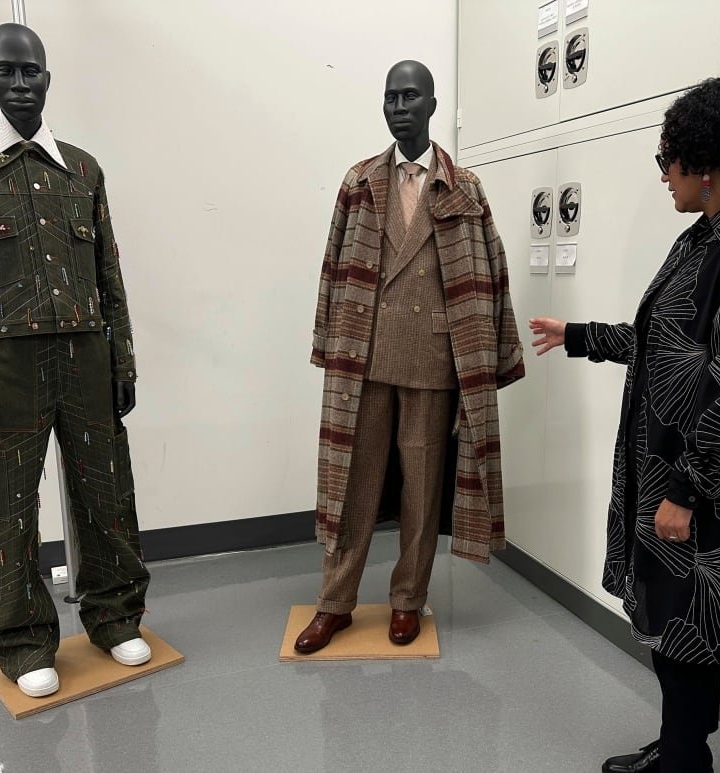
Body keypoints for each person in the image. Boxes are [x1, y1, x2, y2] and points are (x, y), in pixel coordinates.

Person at [530, 76, 720, 773]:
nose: (663, 175)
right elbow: (672, 342)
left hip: (713, 487)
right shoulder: (711, 236)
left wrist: (687, 490)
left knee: (693, 627)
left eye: (667, 158)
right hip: (678, 471)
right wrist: (580, 335)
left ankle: (686, 762)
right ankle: (681, 745)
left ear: (704, 160)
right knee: (674, 627)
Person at [0, 23, 150, 698]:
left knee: (106, 496)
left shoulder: (81, 169)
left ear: (48, 78)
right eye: (7, 72)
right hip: (7, 367)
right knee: (7, 511)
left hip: (86, 354)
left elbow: (109, 273)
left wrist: (123, 362)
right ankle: (22, 640)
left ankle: (114, 616)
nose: (21, 85)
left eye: (32, 72)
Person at [296, 60, 524, 654]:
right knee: (353, 484)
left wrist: (495, 351)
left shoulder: (464, 186)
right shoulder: (359, 181)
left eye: (410, 96)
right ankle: (334, 602)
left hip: (433, 359)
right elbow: (332, 264)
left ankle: (407, 599)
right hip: (364, 358)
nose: (399, 107)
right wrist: (329, 338)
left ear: (431, 103)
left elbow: (492, 272)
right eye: (390, 97)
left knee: (422, 492)